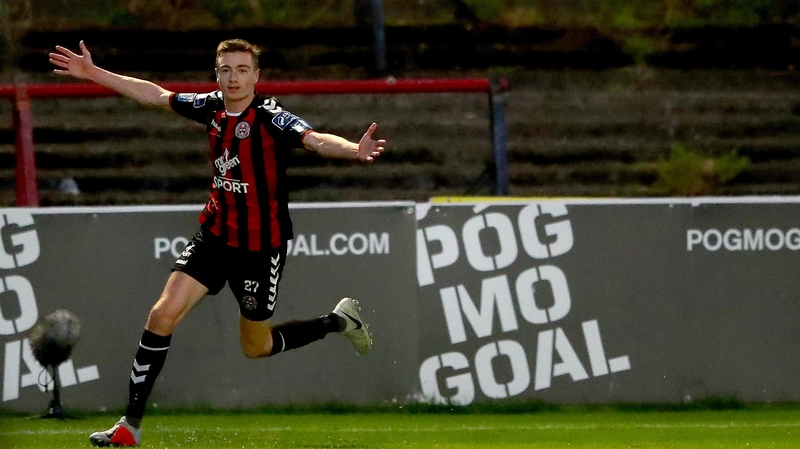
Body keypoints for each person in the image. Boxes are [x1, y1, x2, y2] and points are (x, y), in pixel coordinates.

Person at [49, 39, 383, 447]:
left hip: (260, 248)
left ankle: (337, 321)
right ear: (217, 73)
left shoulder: (271, 118)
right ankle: (129, 426)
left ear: (256, 76)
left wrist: (354, 150)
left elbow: (314, 139)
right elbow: (156, 95)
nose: (233, 77)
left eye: (242, 69)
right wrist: (94, 73)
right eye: (226, 69)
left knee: (255, 347)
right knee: (161, 315)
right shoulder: (211, 106)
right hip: (215, 235)